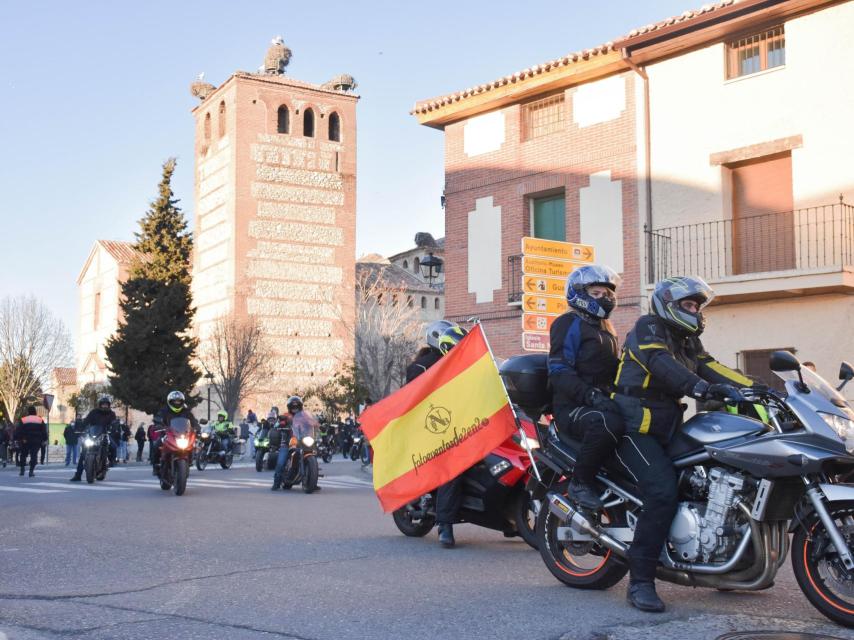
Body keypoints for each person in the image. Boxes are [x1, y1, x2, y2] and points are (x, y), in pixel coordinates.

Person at [612, 276, 766, 613]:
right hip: (635, 427)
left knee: (709, 476)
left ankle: (726, 560)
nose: (695, 311)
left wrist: (764, 388)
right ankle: (640, 582)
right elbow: (661, 365)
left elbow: (713, 368)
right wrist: (700, 389)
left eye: (697, 306)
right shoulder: (647, 328)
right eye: (689, 305)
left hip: (668, 426)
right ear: (669, 304)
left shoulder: (688, 341)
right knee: (662, 492)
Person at [548, 265, 625, 511]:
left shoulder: (606, 330)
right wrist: (590, 395)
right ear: (579, 293)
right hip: (573, 407)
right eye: (596, 293)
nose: (604, 298)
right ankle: (580, 482)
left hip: (601, 402)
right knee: (607, 423)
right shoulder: (568, 323)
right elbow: (559, 371)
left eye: (606, 293)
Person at [405, 320, 468, 547]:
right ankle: (445, 524)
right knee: (451, 468)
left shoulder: (460, 366)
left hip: (459, 423)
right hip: (432, 426)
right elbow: (413, 400)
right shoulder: (421, 366)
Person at [271, 396, 317, 490]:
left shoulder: (305, 416)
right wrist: (280, 422)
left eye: (297, 407)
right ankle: (276, 482)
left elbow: (313, 423)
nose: (295, 409)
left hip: (302, 441)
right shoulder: (285, 415)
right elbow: (277, 424)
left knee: (313, 455)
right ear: (289, 407)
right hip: (288, 443)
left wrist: (317, 423)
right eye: (293, 407)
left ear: (300, 407)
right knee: (281, 462)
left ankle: (312, 482)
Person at [151, 391, 199, 475]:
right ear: (170, 402)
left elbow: (193, 421)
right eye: (175, 401)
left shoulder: (186, 411)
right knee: (156, 445)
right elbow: (158, 418)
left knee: (193, 444)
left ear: (182, 402)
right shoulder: (164, 410)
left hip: (183, 434)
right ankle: (156, 465)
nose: (177, 403)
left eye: (179, 401)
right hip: (167, 434)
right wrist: (158, 424)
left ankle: (189, 461)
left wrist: (197, 427)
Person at [71, 397, 118, 481]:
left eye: (106, 404)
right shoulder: (94, 412)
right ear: (100, 404)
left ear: (108, 405)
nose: (104, 406)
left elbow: (114, 423)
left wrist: (114, 428)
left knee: (113, 446)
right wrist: (80, 428)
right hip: (92, 435)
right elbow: (86, 421)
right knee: (83, 453)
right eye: (103, 404)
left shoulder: (111, 414)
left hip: (105, 434)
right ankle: (78, 475)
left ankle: (111, 462)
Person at [16, 406, 47, 477]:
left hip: (25, 440)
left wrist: (20, 438)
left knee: (23, 455)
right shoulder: (40, 420)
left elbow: (19, 431)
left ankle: (22, 470)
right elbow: (43, 431)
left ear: (28, 412)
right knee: (34, 456)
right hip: (36, 441)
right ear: (35, 411)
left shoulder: (23, 420)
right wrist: (44, 439)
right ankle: (31, 471)